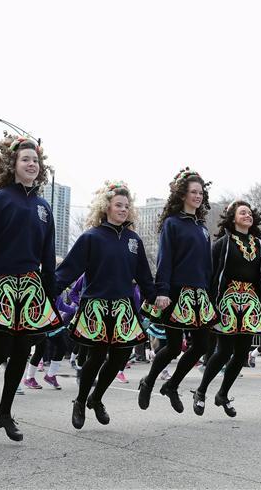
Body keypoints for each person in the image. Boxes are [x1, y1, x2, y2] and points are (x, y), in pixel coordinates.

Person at [0, 132, 62, 441]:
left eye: (35, 160)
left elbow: (47, 252)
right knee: (1, 345)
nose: (32, 164)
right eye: (25, 159)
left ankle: (4, 412)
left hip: (30, 284)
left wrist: (50, 288)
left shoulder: (44, 207)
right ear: (13, 163)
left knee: (23, 348)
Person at [56, 181, 156, 429]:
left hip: (123, 307)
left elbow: (144, 276)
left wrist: (157, 297)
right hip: (96, 306)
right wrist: (47, 293)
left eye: (126, 205)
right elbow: (68, 270)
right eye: (118, 205)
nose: (123, 209)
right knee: (97, 355)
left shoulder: (134, 240)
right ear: (106, 207)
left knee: (120, 356)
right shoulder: (91, 236)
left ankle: (96, 398)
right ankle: (80, 401)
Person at [138, 168, 215, 414]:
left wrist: (211, 296)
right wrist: (162, 290)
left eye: (200, 192)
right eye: (193, 192)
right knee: (172, 347)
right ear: (182, 194)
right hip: (175, 292)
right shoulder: (172, 224)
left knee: (202, 345)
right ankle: (148, 381)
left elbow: (207, 266)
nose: (198, 196)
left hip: (200, 295)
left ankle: (172, 385)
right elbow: (165, 259)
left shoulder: (203, 228)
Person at [192, 200, 261, 417]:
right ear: (232, 217)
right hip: (227, 300)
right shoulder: (223, 243)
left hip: (250, 302)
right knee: (223, 351)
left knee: (241, 354)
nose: (247, 215)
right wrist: (209, 303)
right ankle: (201, 391)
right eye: (242, 213)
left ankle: (223, 394)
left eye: (249, 213)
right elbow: (211, 274)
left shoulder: (260, 245)